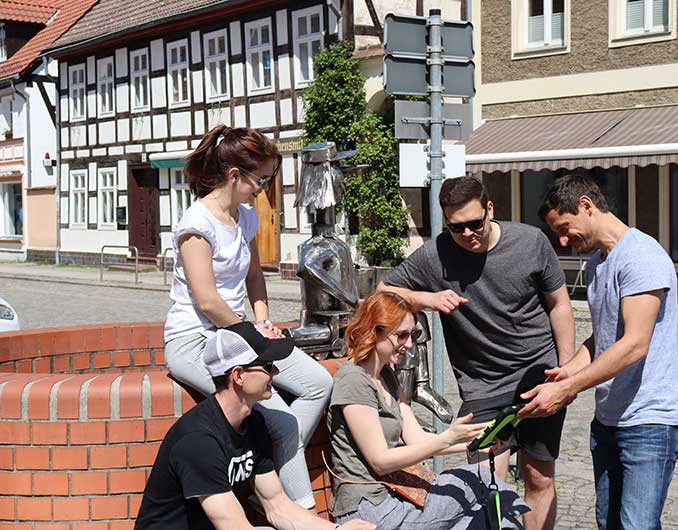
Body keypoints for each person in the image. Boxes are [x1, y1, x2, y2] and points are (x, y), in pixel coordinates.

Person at [378, 176, 575, 530]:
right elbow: (382, 292)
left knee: (538, 477)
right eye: (456, 227)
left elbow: (559, 304)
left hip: (538, 373)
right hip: (482, 385)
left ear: (490, 209)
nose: (468, 233)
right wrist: (429, 299)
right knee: (482, 483)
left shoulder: (530, 242)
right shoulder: (433, 255)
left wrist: (567, 371)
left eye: (475, 223)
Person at [163, 124, 332, 509]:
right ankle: (301, 512)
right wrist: (253, 334)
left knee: (318, 382)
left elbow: (255, 276)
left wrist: (263, 319)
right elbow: (206, 300)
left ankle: (266, 461)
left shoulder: (246, 217)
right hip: (194, 340)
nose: (264, 188)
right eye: (262, 179)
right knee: (284, 423)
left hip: (239, 333)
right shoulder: (196, 224)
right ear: (234, 175)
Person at [521, 173, 678, 530]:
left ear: (586, 206)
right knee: (609, 522)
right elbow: (603, 338)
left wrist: (570, 389)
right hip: (609, 421)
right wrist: (566, 371)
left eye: (565, 228)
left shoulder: (641, 256)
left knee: (636, 526)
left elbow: (634, 344)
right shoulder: (600, 263)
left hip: (651, 420)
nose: (563, 240)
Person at [135, 321, 374, 530]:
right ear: (238, 375)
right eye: (268, 365)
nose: (277, 372)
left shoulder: (254, 423)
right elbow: (235, 527)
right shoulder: (199, 440)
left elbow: (278, 506)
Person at [328, 291, 529, 529]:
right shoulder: (353, 380)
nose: (410, 344)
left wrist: (474, 442)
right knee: (481, 478)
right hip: (370, 510)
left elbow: (417, 438)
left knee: (476, 521)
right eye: (401, 335)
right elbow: (379, 460)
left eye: (413, 335)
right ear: (374, 331)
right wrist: (446, 439)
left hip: (398, 498)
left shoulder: (387, 377)